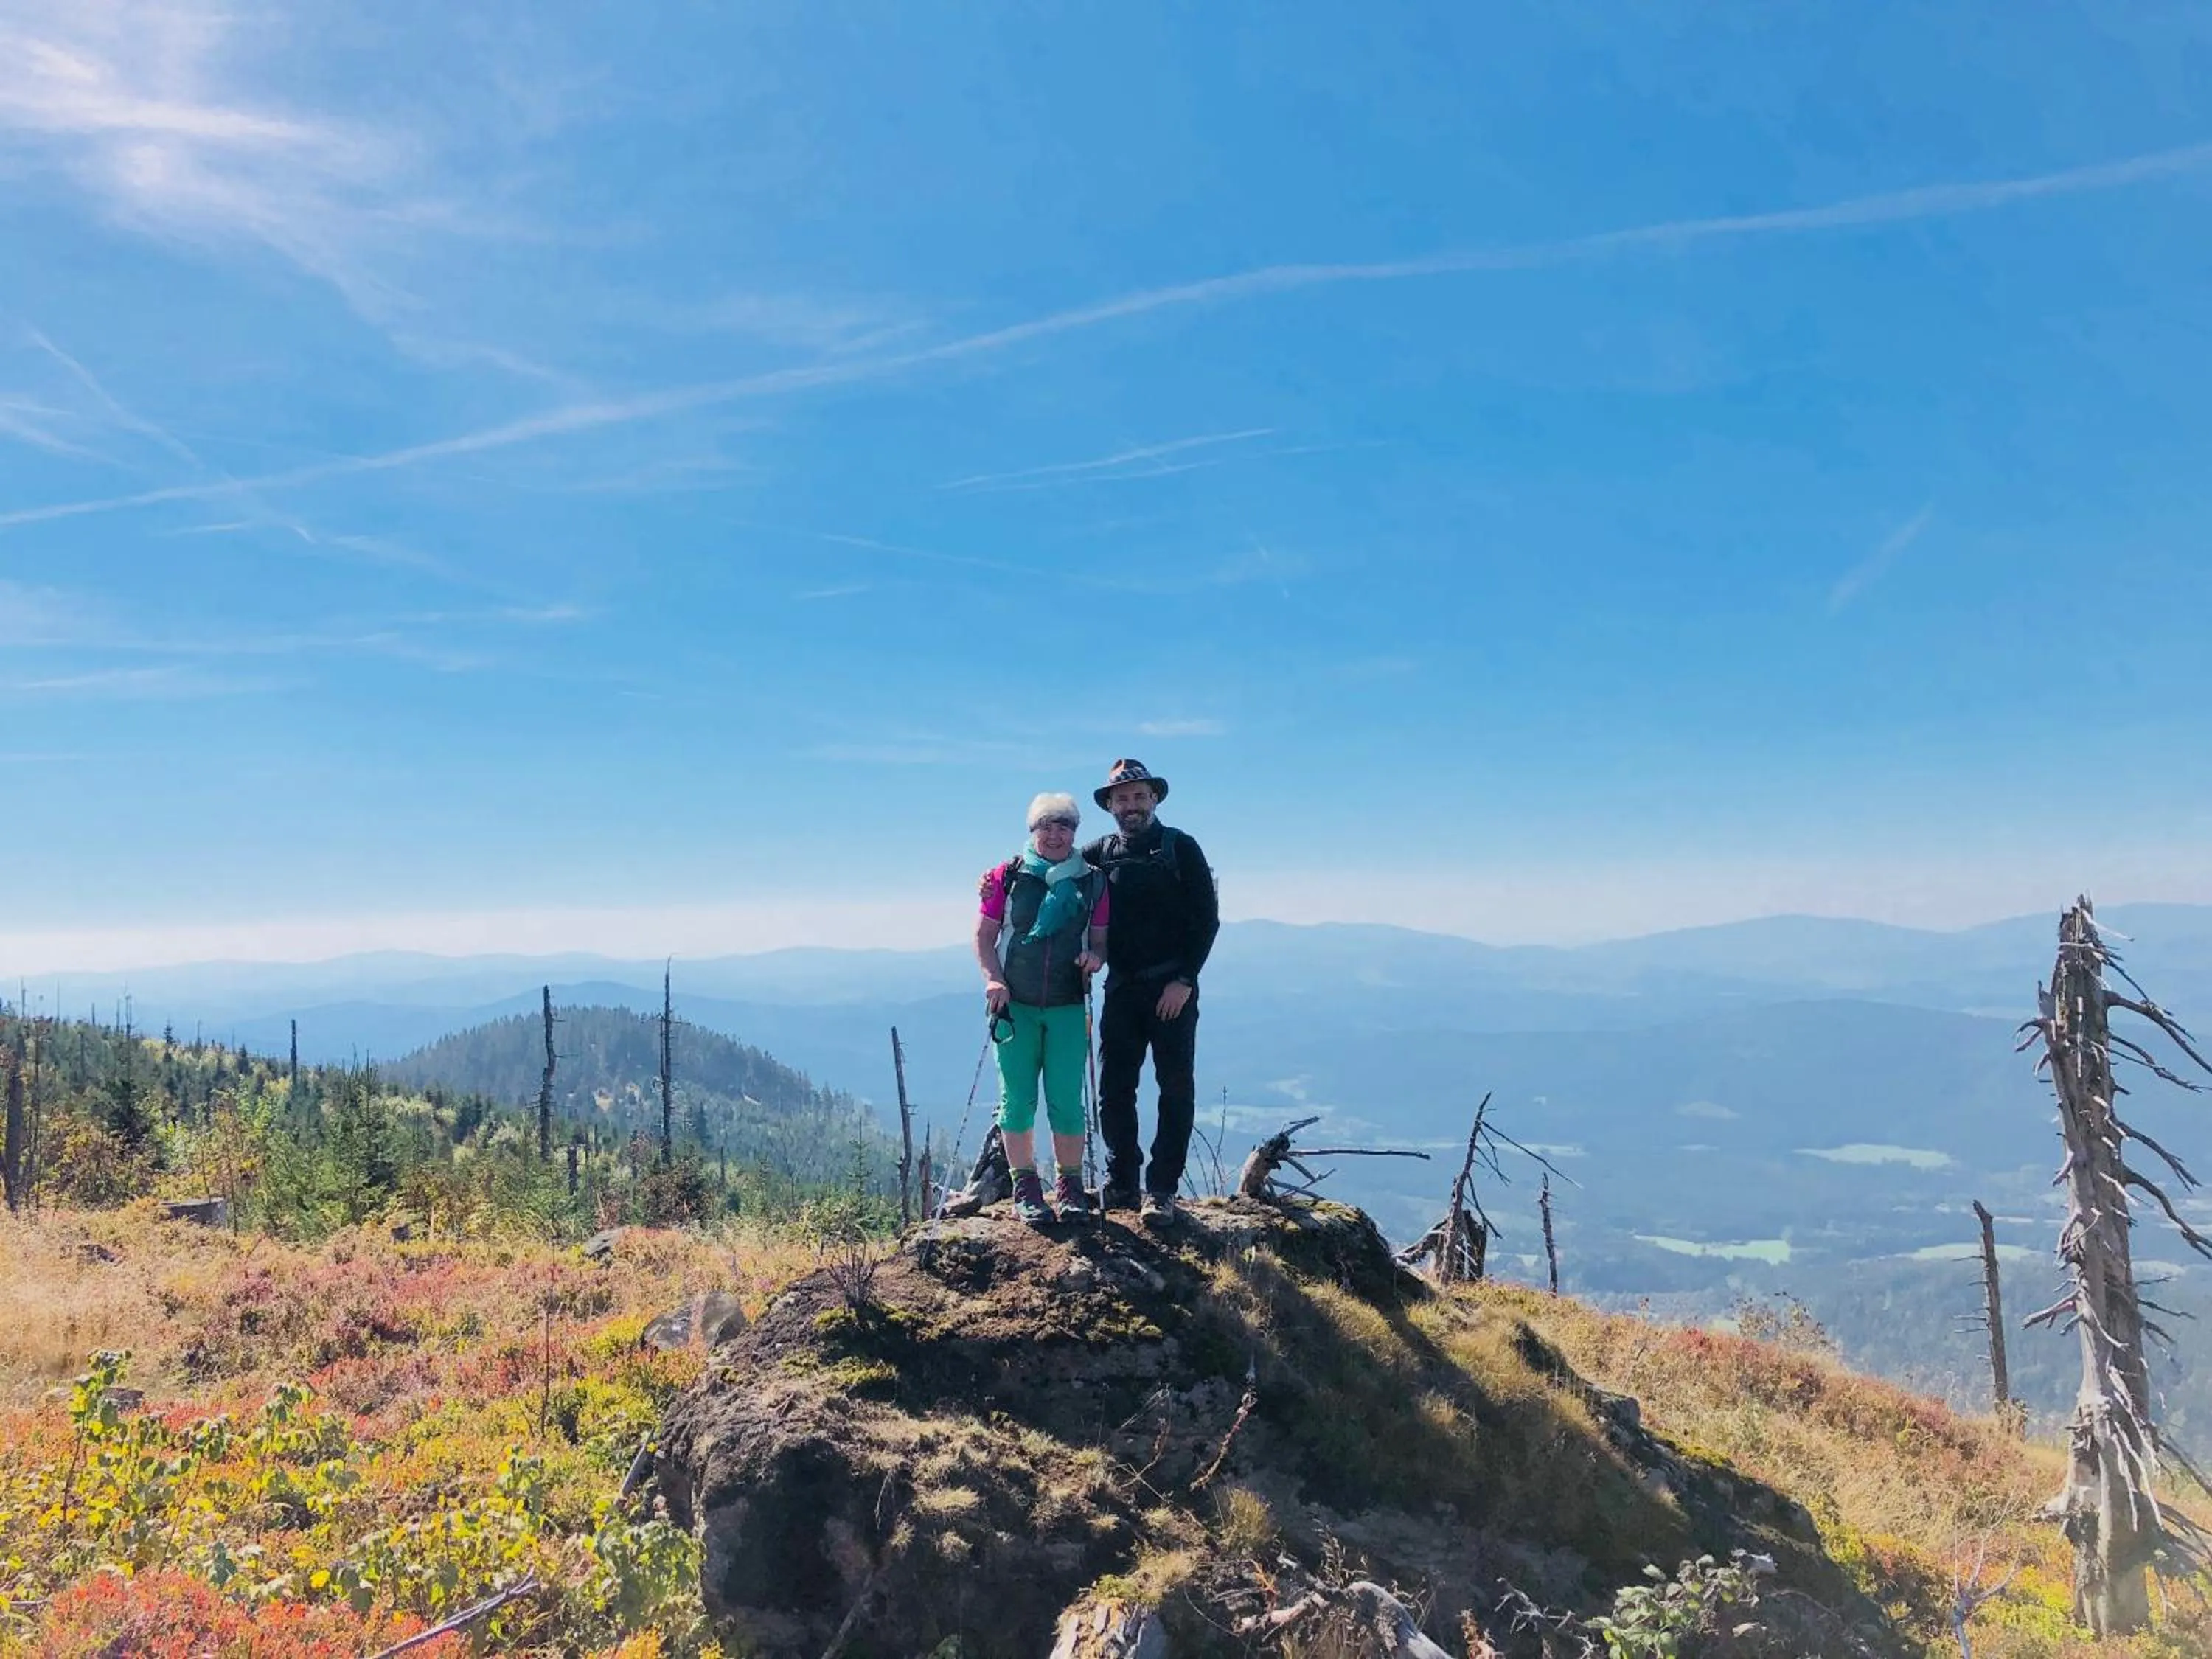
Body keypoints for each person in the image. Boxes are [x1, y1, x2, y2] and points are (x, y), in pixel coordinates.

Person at [1082, 758, 1220, 1228]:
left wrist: (1184, 980)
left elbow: (1207, 919)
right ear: (1110, 806)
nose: (1132, 805)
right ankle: (1122, 1181)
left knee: (1175, 1088)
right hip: (1122, 987)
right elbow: (1054, 871)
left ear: (1155, 799)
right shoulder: (1098, 852)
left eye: (1140, 796)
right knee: (1114, 1089)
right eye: (1122, 798)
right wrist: (1006, 874)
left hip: (1172, 990)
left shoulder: (1181, 848)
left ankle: (1161, 1189)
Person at [974, 792, 1109, 1225]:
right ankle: (1025, 1185)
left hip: (1069, 1005)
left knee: (1067, 1100)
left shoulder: (1093, 882)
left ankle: (1069, 1185)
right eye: (1045, 827)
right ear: (1032, 832)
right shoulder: (1006, 878)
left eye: (1064, 827)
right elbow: (984, 938)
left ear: (1075, 832)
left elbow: (1101, 942)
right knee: (1017, 1101)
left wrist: (1096, 959)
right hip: (1016, 1005)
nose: (1055, 835)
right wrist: (993, 979)